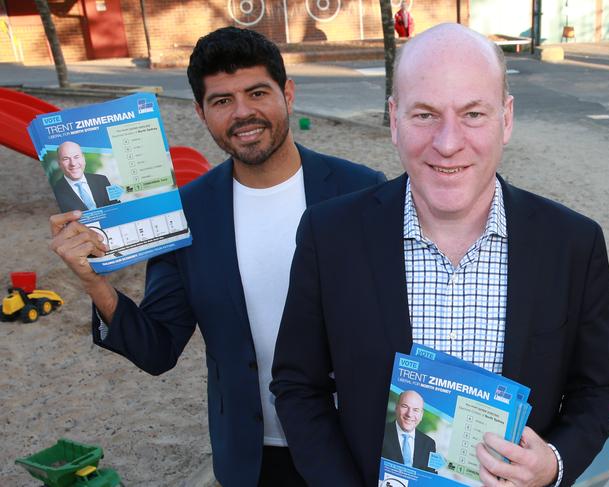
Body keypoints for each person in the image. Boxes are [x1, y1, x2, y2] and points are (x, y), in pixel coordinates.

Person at [271, 23, 609, 487]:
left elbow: (596, 389)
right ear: (394, 119)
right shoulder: (330, 235)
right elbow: (298, 386)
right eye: (425, 115)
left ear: (507, 118)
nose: (448, 142)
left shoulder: (573, 244)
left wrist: (555, 462)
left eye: (474, 113)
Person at [48, 27, 385, 487]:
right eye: (222, 100)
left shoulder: (363, 189)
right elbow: (157, 349)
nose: (243, 112)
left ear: (287, 93)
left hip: (354, 443)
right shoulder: (187, 212)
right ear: (201, 113)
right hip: (254, 454)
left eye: (257, 92)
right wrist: (94, 282)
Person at [52, 141, 116, 212]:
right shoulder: (55, 192)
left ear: (83, 158)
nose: (73, 163)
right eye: (66, 159)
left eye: (76, 157)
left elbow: (115, 206)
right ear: (59, 164)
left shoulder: (102, 180)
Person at [381, 390, 436, 472]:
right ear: (396, 408)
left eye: (416, 410)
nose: (409, 414)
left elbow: (431, 475)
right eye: (405, 406)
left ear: (421, 415)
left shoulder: (429, 444)